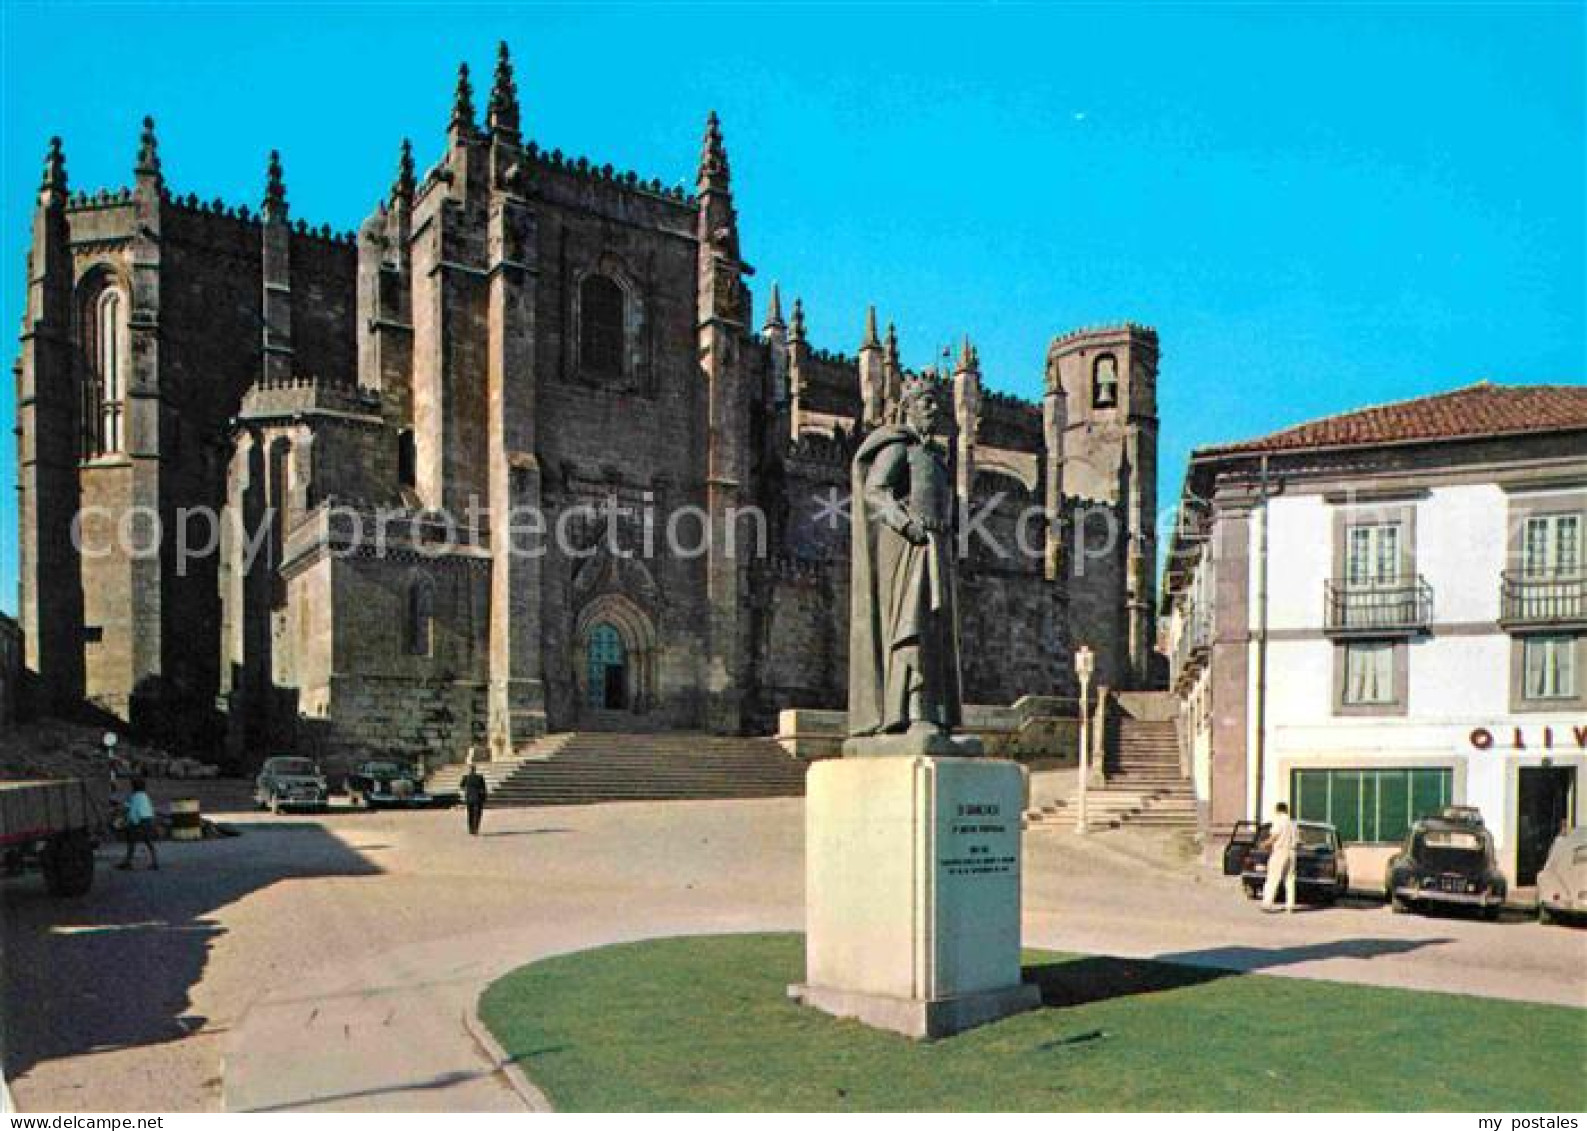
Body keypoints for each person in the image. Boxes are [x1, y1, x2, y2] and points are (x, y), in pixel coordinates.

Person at [1259, 801, 1298, 913]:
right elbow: (1297, 839)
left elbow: (1275, 835)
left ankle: (1267, 903)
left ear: (1278, 810)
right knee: (1290, 880)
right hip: (1292, 852)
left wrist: (1265, 844)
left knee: (1273, 878)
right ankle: (1290, 905)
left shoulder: (1278, 820)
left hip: (1280, 852)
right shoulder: (1292, 823)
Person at [117, 777, 159, 871]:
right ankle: (155, 861)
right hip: (148, 820)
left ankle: (127, 862)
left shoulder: (134, 797)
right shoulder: (145, 796)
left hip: (139, 821)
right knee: (148, 841)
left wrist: (128, 823)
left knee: (131, 842)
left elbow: (133, 811)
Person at [461, 751, 488, 836]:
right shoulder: (480, 777)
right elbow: (484, 788)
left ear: (470, 770)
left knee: (470, 814)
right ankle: (475, 828)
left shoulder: (466, 777)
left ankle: (471, 829)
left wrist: (467, 790)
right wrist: (484, 797)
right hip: (478, 798)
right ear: (475, 770)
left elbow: (461, 786)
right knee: (477, 814)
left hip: (469, 798)